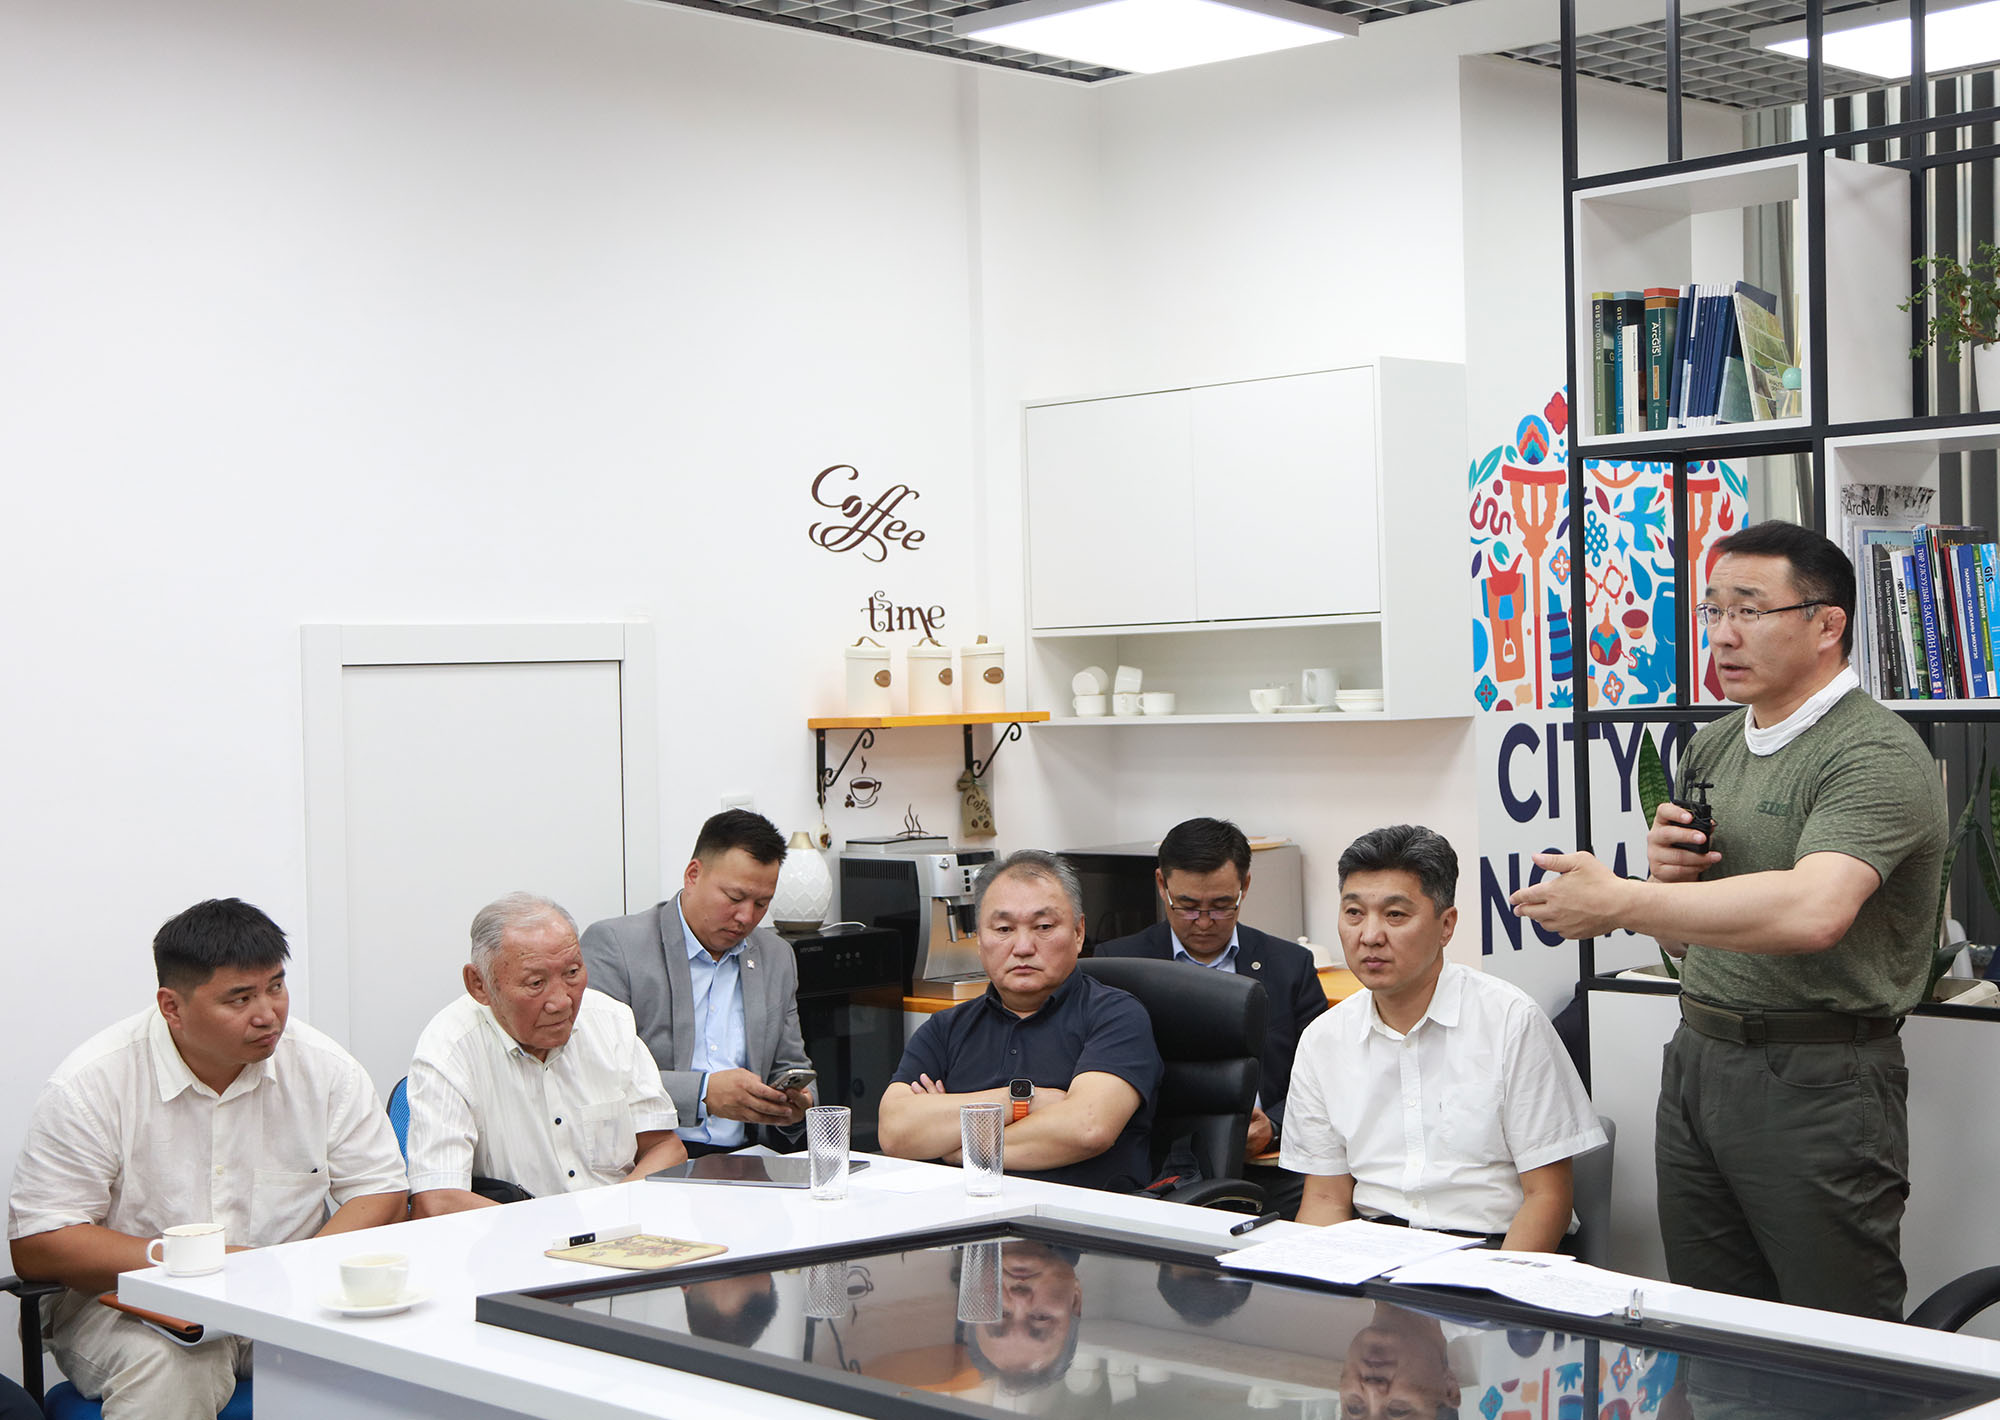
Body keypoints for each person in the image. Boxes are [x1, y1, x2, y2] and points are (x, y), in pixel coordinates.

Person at [1509, 518, 1948, 1320]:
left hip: (1819, 1075)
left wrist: (1624, 899)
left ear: (1827, 624)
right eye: (1712, 611)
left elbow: (1816, 911)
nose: (1722, 634)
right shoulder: (1712, 747)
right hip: (1699, 1057)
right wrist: (1665, 884)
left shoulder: (1874, 754)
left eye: (1749, 609)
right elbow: (1684, 938)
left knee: (1835, 1334)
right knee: (1711, 1323)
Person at [7, 899, 408, 1420]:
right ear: (172, 1007)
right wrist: (191, 1262)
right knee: (173, 1368)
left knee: (400, 1355)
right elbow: (40, 1243)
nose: (267, 1014)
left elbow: (380, 1190)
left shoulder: (325, 1069)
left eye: (276, 986)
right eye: (239, 998)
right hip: (131, 1308)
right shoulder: (93, 1084)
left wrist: (296, 1269)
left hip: (285, 1300)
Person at [1284, 826, 1604, 1249]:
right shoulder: (1323, 1040)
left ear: (1446, 925)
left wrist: (1498, 1284)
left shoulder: (1510, 1021)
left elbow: (1548, 1200)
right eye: (1354, 913)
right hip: (1372, 1252)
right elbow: (1325, 1199)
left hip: (1490, 1250)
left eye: (1395, 915)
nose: (1370, 936)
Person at [878, 850, 1162, 1192]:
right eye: (1004, 928)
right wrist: (1022, 1101)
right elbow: (895, 1131)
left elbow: (1087, 1127)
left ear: (1078, 932)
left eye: (1044, 927)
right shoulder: (944, 1029)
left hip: (1076, 1217)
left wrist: (958, 1145)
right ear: (979, 939)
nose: (1023, 947)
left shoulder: (1115, 1015)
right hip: (964, 1213)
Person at [405, 892, 687, 1216]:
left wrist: (610, 1214)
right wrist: (557, 1231)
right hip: (510, 1236)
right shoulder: (450, 1048)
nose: (562, 1002)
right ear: (479, 985)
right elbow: (438, 1201)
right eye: (536, 983)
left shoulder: (611, 1021)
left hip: (619, 1228)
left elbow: (665, 1148)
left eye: (572, 973)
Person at [1094, 817, 1327, 1210]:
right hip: (1158, 1164)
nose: (1203, 922)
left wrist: (1274, 1124)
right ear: (1162, 885)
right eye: (1187, 906)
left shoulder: (1290, 966)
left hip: (1269, 1163)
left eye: (1221, 906)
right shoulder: (1119, 964)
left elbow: (1323, 1075)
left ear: (1245, 886)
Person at [581, 810, 814, 1154]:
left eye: (762, 903)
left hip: (748, 1156)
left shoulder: (775, 955)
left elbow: (793, 1065)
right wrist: (703, 1093)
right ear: (693, 875)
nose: (746, 917)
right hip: (648, 1156)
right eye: (735, 898)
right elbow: (597, 1075)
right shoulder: (617, 947)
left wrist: (796, 1104)